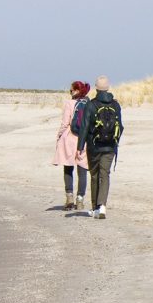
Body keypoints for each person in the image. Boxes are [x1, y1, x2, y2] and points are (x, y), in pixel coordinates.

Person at [76, 75, 124, 219]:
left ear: (96, 89)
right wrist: (115, 141)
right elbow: (120, 126)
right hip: (110, 147)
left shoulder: (91, 105)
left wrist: (80, 147)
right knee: (105, 174)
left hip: (94, 146)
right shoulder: (116, 105)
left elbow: (84, 127)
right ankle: (102, 206)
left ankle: (95, 207)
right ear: (108, 88)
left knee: (95, 176)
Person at [52, 80, 90, 210]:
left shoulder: (69, 103)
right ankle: (80, 200)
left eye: (71, 90)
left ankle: (69, 198)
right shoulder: (89, 103)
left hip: (69, 138)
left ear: (76, 91)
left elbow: (65, 123)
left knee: (68, 168)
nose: (70, 93)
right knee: (82, 170)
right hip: (83, 139)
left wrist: (58, 137)